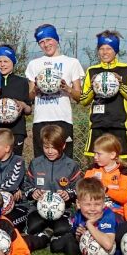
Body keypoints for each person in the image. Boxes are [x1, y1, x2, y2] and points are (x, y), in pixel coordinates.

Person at [24, 24, 84, 159]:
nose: (46, 44)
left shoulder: (72, 62)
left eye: (49, 39)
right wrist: (36, 90)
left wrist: (67, 88)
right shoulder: (34, 64)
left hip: (63, 119)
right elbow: (29, 97)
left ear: (56, 40)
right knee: (41, 160)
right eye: (41, 42)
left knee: (65, 160)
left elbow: (79, 97)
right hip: (41, 120)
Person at [17, 124, 81, 251]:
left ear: (63, 146)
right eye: (46, 147)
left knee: (62, 229)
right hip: (38, 208)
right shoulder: (36, 163)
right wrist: (33, 192)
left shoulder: (71, 165)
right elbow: (26, 185)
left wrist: (69, 194)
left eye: (54, 148)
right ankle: (46, 236)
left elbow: (78, 189)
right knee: (33, 227)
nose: (50, 151)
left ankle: (53, 235)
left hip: (64, 210)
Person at [79, 31, 127, 160]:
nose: (104, 52)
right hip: (97, 125)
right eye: (101, 49)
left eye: (109, 49)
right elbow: (83, 101)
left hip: (119, 125)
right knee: (95, 165)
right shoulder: (92, 71)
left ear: (116, 50)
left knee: (121, 165)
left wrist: (120, 84)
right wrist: (92, 87)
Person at [53, 177, 118, 255]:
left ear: (104, 204)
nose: (92, 209)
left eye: (97, 204)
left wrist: (89, 224)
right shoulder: (79, 215)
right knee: (57, 246)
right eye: (88, 204)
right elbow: (78, 236)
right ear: (78, 204)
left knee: (70, 247)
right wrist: (80, 236)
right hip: (90, 246)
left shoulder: (107, 215)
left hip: (109, 246)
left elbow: (108, 245)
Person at [82, 134, 127, 217]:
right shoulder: (92, 169)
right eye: (95, 153)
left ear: (112, 155)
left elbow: (125, 197)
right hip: (94, 210)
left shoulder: (123, 172)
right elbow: (84, 190)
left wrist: (106, 190)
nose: (95, 157)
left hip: (115, 212)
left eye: (99, 154)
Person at [0, 45, 31, 156]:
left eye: (6, 61)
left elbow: (29, 110)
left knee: (15, 162)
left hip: (17, 130)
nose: (2, 64)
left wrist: (23, 105)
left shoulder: (22, 82)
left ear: (13, 61)